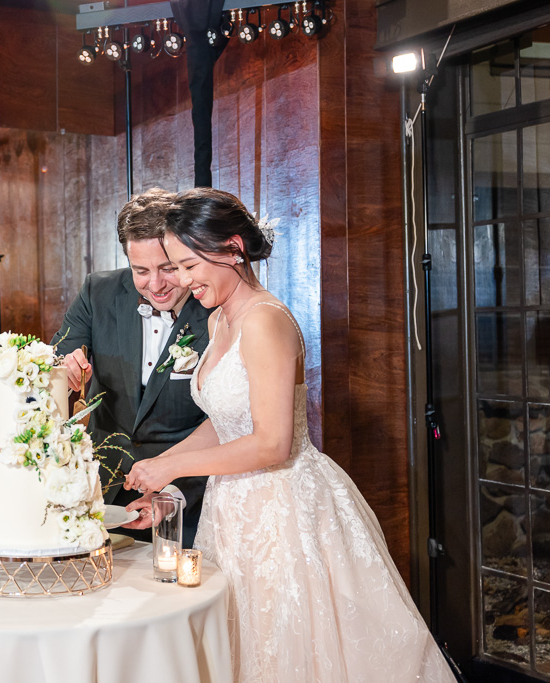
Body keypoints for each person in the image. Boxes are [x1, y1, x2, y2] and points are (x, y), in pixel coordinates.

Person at [122, 188, 453, 681]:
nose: (184, 281)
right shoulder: (218, 322)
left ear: (234, 248)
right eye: (177, 267)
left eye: (190, 265)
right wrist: (160, 474)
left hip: (286, 508)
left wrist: (172, 466)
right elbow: (225, 418)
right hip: (233, 507)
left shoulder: (265, 320)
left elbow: (272, 441)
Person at [51, 188, 211, 545]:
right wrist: (64, 368)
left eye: (168, 268)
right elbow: (53, 362)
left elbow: (227, 423)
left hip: (184, 500)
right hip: (101, 492)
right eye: (141, 270)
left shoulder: (214, 305)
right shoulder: (99, 291)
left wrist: (172, 492)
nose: (155, 285)